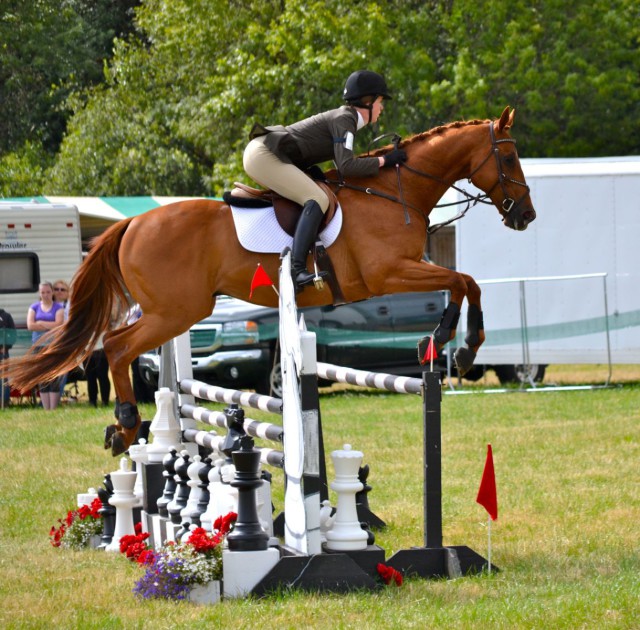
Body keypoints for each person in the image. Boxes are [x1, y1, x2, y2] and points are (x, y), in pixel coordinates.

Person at [243, 69, 407, 291]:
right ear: (367, 102)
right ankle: (296, 270)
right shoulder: (345, 119)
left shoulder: (346, 119)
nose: (382, 107)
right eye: (380, 101)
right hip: (264, 154)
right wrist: (385, 161)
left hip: (269, 153)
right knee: (317, 198)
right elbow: (346, 166)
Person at [27, 282, 64, 409]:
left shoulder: (58, 307)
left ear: (52, 292)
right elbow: (30, 325)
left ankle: (53, 408)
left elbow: (59, 324)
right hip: (38, 347)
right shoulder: (34, 307)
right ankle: (45, 408)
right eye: (43, 292)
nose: (46, 295)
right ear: (39, 293)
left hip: (53, 346)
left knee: (53, 376)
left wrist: (41, 322)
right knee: (41, 376)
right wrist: (50, 324)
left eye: (48, 292)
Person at [52, 280, 71, 397]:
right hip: (49, 342)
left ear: (68, 292)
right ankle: (46, 397)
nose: (59, 292)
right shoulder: (47, 304)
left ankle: (57, 396)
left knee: (62, 370)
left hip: (64, 341)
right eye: (56, 289)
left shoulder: (70, 305)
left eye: (62, 289)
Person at [0, 308, 16, 406]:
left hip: (2, 352)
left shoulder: (6, 316)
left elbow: (13, 335)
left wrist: (6, 347)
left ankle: (4, 402)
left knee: (3, 378)